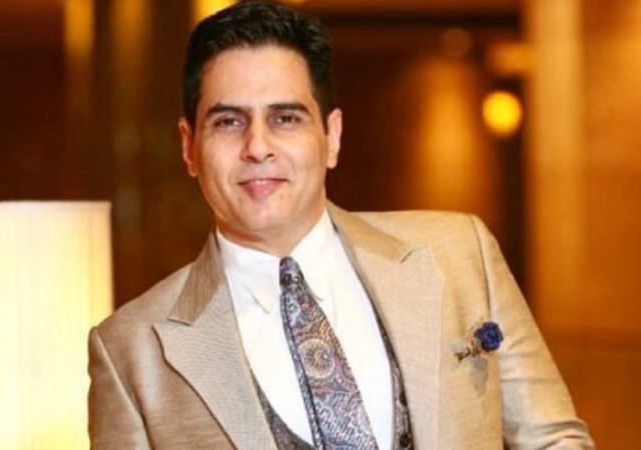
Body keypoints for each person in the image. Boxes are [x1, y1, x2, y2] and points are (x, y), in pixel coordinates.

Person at [87, 1, 594, 449]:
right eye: (228, 121)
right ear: (189, 147)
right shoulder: (130, 351)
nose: (257, 146)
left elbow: (554, 440)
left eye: (285, 118)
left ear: (331, 136)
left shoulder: (461, 253)